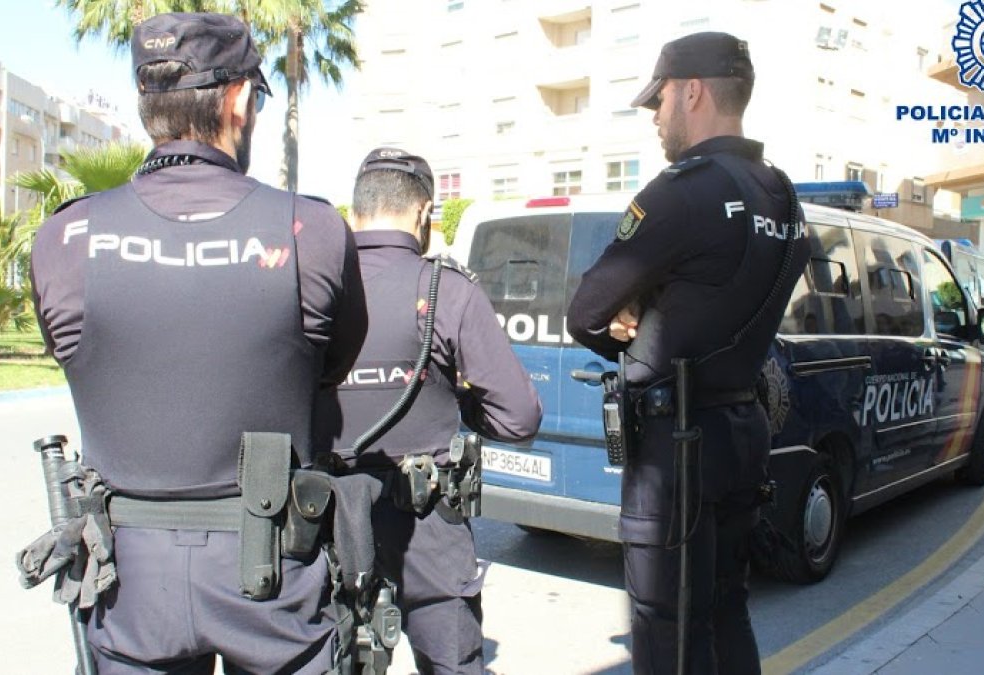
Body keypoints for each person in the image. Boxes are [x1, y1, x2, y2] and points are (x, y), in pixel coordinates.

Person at [29, 13, 369, 671]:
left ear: (144, 103)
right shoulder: (313, 231)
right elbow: (332, 366)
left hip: (130, 588)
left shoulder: (65, 240)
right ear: (240, 99)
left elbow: (77, 355)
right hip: (273, 580)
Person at [565, 32, 809, 675]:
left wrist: (632, 320)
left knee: (666, 624)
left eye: (660, 99)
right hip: (741, 434)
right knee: (728, 610)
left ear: (693, 91)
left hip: (677, 451)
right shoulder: (783, 195)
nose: (655, 117)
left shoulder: (682, 191)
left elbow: (586, 313)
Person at [314, 148, 542, 674]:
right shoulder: (447, 291)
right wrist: (452, 397)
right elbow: (519, 418)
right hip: (429, 535)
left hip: (327, 527)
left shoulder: (315, 288)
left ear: (354, 212)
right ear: (423, 215)